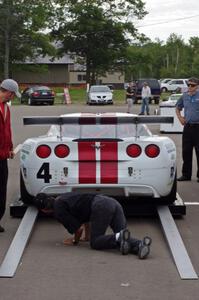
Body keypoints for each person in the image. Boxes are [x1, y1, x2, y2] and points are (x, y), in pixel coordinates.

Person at [33, 192, 152, 259]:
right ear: (51, 198)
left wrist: (74, 241)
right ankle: (140, 245)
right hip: (111, 201)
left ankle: (119, 237)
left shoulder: (58, 211)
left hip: (100, 207)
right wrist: (87, 236)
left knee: (96, 243)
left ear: (43, 210)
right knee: (124, 243)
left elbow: (78, 229)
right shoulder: (63, 198)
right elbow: (84, 218)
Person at [0, 79, 21, 232]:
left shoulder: (6, 108)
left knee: (2, 189)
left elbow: (7, 131)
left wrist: (10, 147)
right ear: (7, 92)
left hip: (2, 156)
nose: (12, 98)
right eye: (12, 95)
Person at [176, 77, 199, 182]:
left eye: (192, 85)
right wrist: (180, 118)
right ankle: (186, 175)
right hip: (188, 128)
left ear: (197, 86)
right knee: (186, 151)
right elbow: (177, 107)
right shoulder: (184, 96)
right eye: (189, 85)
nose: (190, 87)